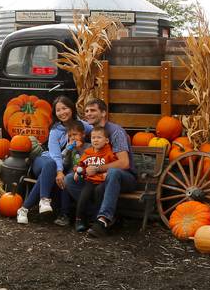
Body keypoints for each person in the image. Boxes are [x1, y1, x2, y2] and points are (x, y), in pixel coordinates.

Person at [63, 98, 136, 236]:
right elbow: (89, 156)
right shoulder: (94, 132)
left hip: (124, 177)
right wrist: (81, 169)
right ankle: (96, 214)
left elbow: (124, 163)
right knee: (69, 180)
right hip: (98, 177)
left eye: (93, 110)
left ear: (103, 113)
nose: (88, 114)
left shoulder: (116, 132)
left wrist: (97, 169)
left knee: (113, 173)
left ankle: (103, 220)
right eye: (86, 111)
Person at [16, 96, 92, 225]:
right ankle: (44, 199)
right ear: (55, 113)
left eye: (65, 108)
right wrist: (59, 171)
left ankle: (24, 209)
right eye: (58, 110)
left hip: (63, 163)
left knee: (57, 174)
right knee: (52, 165)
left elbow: (98, 133)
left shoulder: (82, 125)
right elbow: (55, 156)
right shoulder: (55, 130)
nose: (62, 112)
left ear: (72, 108)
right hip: (45, 160)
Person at [73, 125, 118, 232]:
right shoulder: (88, 152)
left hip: (103, 181)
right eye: (93, 138)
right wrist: (78, 171)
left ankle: (96, 219)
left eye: (99, 137)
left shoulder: (109, 153)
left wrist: (107, 173)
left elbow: (114, 165)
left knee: (99, 193)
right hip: (90, 180)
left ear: (106, 140)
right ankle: (79, 219)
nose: (95, 140)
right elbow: (81, 164)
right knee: (84, 196)